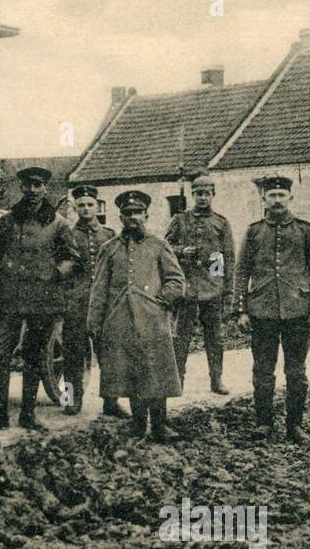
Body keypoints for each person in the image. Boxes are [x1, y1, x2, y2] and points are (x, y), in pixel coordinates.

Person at [0, 167, 81, 432]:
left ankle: (28, 415)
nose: (32, 191)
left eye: (37, 186)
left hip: (42, 300)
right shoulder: (7, 222)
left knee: (33, 357)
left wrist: (54, 273)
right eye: (28, 186)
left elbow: (72, 258)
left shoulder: (58, 224)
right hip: (8, 299)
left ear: (45, 188)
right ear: (20, 188)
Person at [233, 175, 310, 444]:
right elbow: (241, 272)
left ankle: (295, 425)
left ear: (290, 199)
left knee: (296, 371)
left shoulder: (305, 231)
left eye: (281, 196)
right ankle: (263, 423)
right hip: (261, 312)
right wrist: (241, 310)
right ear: (263, 199)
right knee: (262, 371)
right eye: (271, 196)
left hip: (298, 311)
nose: (276, 200)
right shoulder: (253, 232)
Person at [87, 189, 186, 441]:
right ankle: (138, 424)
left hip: (153, 322)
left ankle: (161, 425)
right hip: (120, 322)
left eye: (138, 213)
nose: (133, 218)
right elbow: (99, 289)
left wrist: (161, 300)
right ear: (120, 217)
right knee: (131, 374)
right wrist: (95, 321)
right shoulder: (109, 249)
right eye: (128, 213)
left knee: (156, 372)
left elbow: (176, 280)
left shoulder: (158, 245)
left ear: (146, 215)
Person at [165, 174, 235, 395]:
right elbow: (165, 248)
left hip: (212, 289)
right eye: (198, 193)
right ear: (192, 195)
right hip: (186, 288)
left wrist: (225, 289)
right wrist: (181, 251)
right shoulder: (180, 220)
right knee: (181, 336)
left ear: (213, 195)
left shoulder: (220, 223)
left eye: (206, 193)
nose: (202, 197)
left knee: (214, 337)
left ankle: (217, 380)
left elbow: (226, 258)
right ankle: (178, 381)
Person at [60, 185, 124, 417]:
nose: (86, 209)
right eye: (81, 205)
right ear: (75, 208)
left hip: (104, 306)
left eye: (90, 205)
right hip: (75, 305)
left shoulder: (108, 235)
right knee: (72, 356)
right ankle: (70, 401)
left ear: (97, 207)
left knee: (109, 354)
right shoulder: (67, 234)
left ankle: (111, 402)